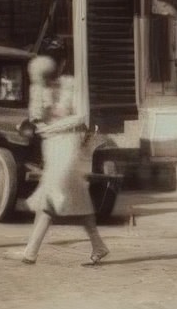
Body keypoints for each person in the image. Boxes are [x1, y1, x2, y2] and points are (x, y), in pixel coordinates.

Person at [16, 76, 110, 267]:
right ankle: (97, 245)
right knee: (68, 200)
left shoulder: (71, 87)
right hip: (54, 150)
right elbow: (38, 123)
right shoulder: (43, 91)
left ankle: (31, 251)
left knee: (55, 197)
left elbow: (80, 118)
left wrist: (51, 128)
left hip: (68, 150)